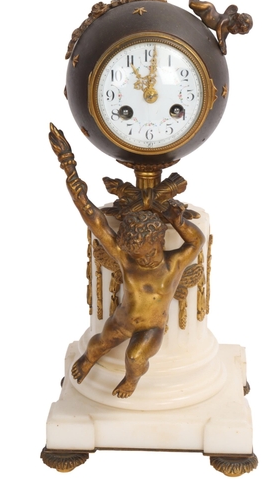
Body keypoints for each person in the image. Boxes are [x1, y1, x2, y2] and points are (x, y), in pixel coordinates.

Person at [49, 124, 205, 398]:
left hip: (152, 328)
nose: (139, 259)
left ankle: (131, 380)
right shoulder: (128, 259)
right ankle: (88, 360)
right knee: (98, 345)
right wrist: (68, 167)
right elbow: (96, 221)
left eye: (145, 254)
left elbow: (196, 242)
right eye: (135, 254)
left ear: (159, 242)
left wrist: (178, 222)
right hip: (122, 320)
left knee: (135, 357)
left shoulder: (173, 265)